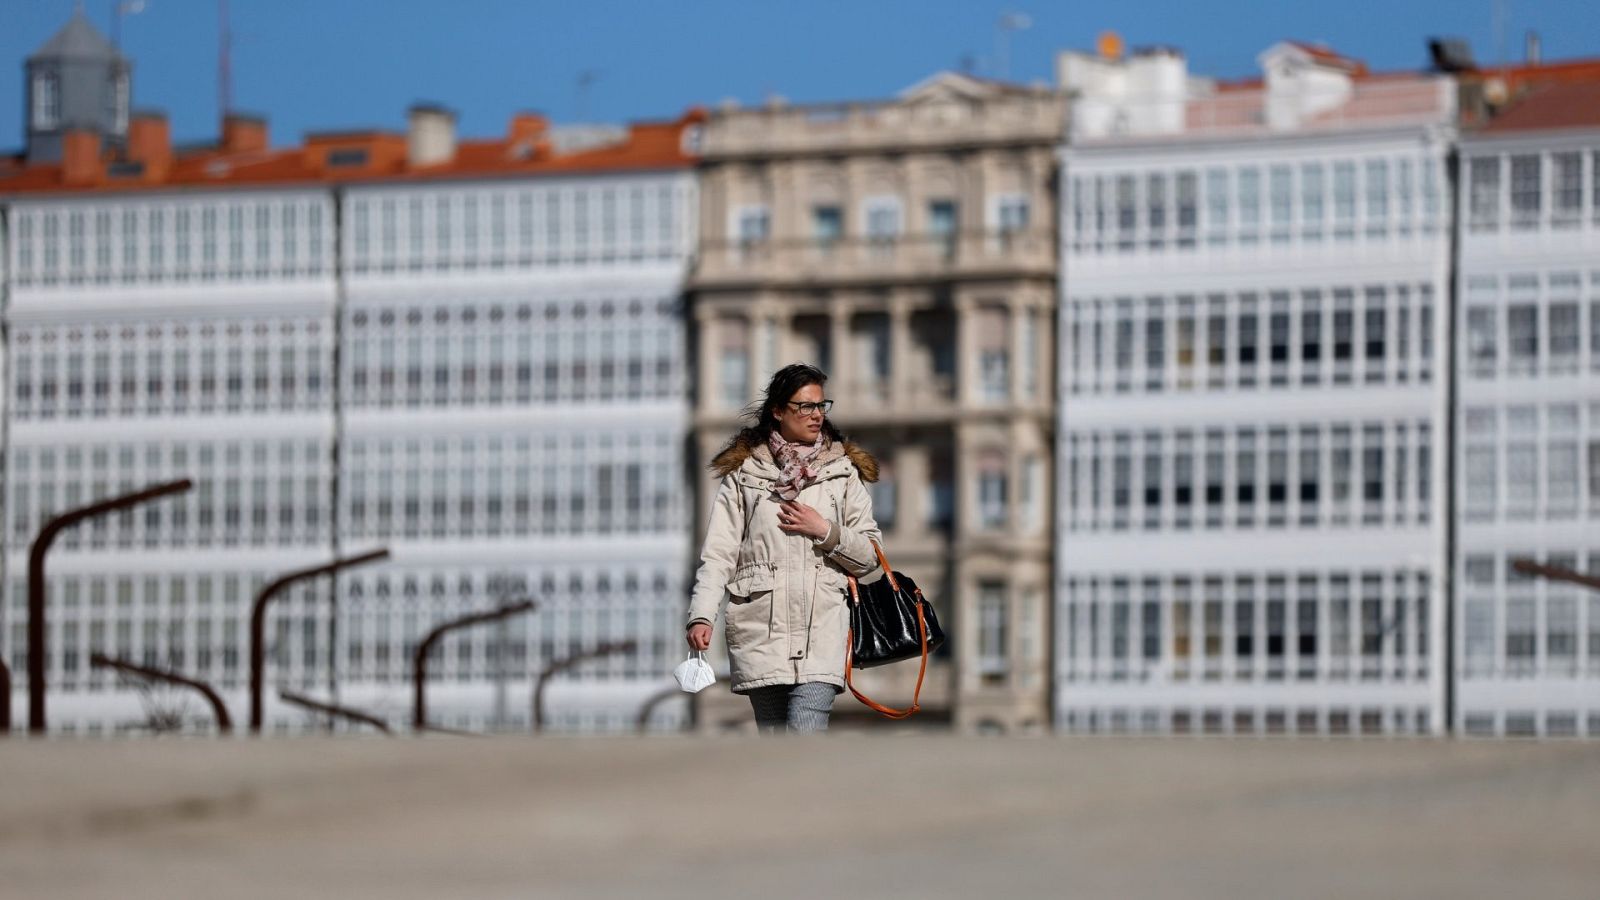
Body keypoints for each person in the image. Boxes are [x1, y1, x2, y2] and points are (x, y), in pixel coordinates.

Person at [686, 363, 882, 735]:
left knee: (806, 730)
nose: (816, 416)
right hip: (760, 630)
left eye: (822, 406)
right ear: (778, 410)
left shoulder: (842, 473)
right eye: (805, 406)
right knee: (774, 743)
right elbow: (719, 554)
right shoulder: (743, 476)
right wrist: (701, 615)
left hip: (822, 627)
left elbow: (871, 556)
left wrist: (824, 530)